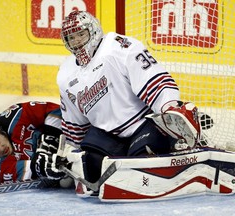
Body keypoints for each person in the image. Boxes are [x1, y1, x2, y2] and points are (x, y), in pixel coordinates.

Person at [56, 10, 202, 193]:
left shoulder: (117, 47)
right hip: (106, 134)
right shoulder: (65, 74)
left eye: (80, 34)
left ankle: (180, 145)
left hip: (142, 125)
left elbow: (154, 80)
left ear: (92, 31)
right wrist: (73, 156)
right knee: (90, 168)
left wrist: (169, 107)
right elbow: (75, 124)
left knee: (142, 165)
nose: (76, 41)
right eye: (71, 37)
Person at [0, 101, 70, 186]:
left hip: (70, 137)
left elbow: (55, 110)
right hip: (67, 167)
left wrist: (50, 139)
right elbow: (36, 169)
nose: (0, 148)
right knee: (66, 182)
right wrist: (40, 167)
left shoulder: (13, 116)